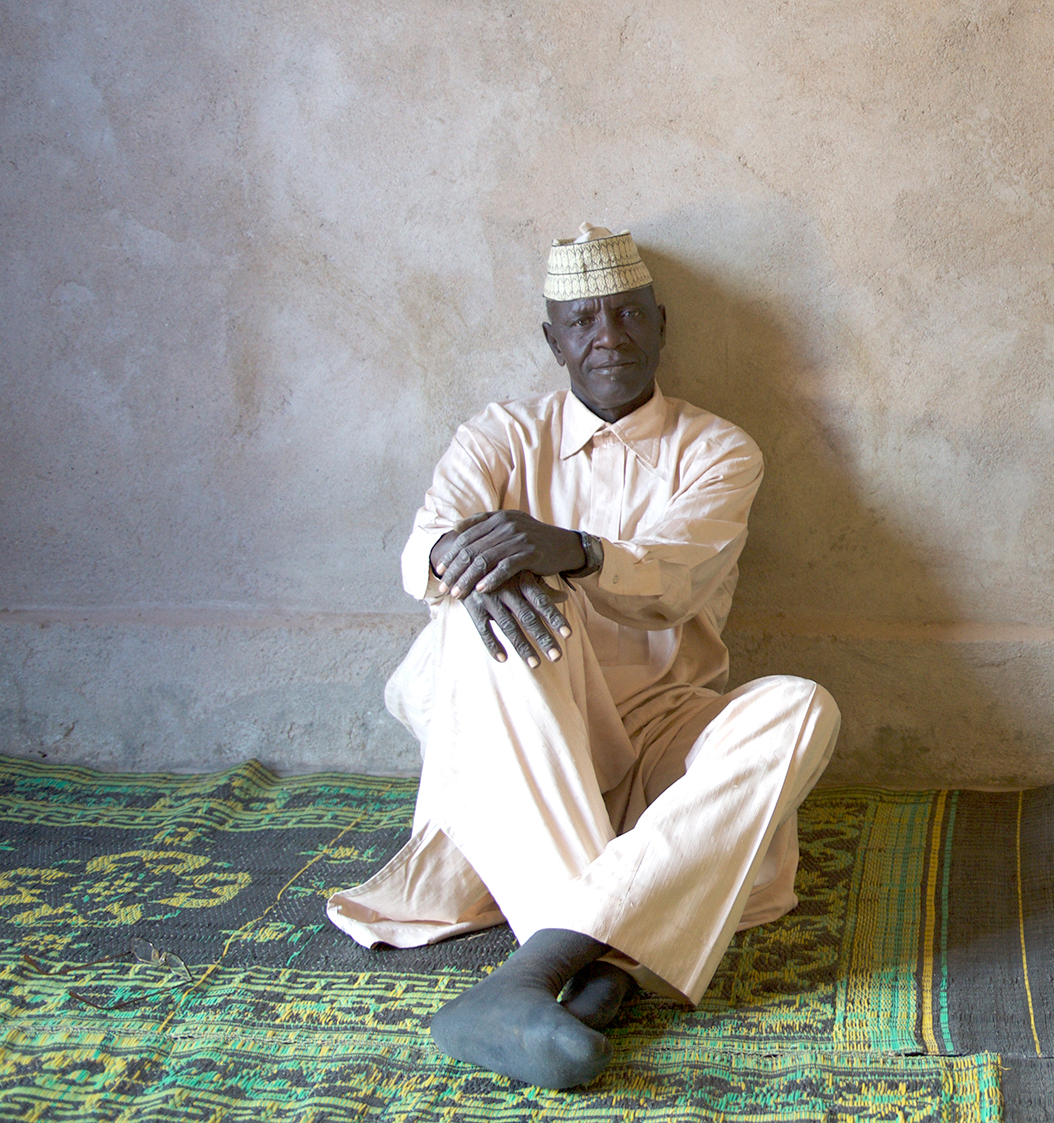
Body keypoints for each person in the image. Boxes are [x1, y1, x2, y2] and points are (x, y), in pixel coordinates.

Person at [325, 224, 841, 1090]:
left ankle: (530, 977)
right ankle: (605, 968)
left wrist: (569, 547)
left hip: (659, 731)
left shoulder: (719, 450)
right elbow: (427, 549)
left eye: (629, 314)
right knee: (492, 612)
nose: (609, 336)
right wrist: (479, 568)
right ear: (553, 340)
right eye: (584, 320)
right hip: (524, 748)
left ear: (661, 325)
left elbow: (671, 580)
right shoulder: (499, 436)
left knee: (801, 706)